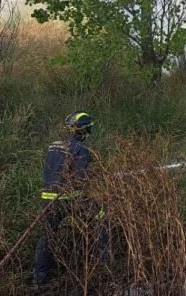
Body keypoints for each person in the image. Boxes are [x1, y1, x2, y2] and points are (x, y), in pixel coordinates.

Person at [32, 111, 109, 286]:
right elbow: (79, 179)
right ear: (83, 131)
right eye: (88, 130)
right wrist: (94, 177)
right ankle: (106, 265)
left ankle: (39, 277)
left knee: (48, 236)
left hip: (47, 200)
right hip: (70, 199)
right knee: (101, 218)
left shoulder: (53, 146)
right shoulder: (81, 150)